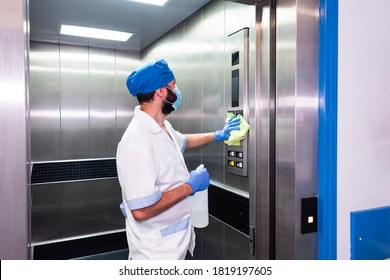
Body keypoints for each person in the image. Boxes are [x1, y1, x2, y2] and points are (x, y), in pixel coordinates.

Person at [116, 59, 240, 260]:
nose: (177, 91)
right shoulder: (136, 141)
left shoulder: (162, 127)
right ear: (161, 92)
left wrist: (217, 135)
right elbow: (140, 212)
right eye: (173, 85)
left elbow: (182, 141)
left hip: (175, 245)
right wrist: (190, 186)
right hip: (156, 253)